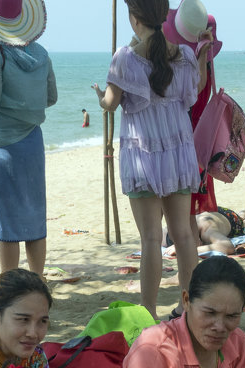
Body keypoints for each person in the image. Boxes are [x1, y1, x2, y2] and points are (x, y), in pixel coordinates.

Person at [93, 0, 212, 318]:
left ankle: (148, 310)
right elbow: (196, 88)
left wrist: (98, 95)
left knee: (150, 239)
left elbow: (110, 102)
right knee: (184, 234)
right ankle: (188, 306)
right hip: (178, 152)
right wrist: (201, 57)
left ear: (134, 19)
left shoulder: (125, 58)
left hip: (144, 154)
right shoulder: (183, 55)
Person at [0, 0, 56, 275]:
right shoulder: (42, 54)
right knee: (35, 219)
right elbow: (51, 97)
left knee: (8, 224)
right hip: (32, 143)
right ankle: (38, 281)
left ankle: (9, 283)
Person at [163, 0, 224, 248]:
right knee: (188, 217)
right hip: (199, 146)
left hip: (183, 145)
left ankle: (188, 269)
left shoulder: (189, 68)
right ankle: (192, 263)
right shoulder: (206, 65)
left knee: (182, 222)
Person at [164, 207, 245, 257]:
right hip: (207, 212)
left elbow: (228, 247)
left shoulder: (207, 229)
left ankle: (243, 214)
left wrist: (186, 250)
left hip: (231, 218)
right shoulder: (168, 232)